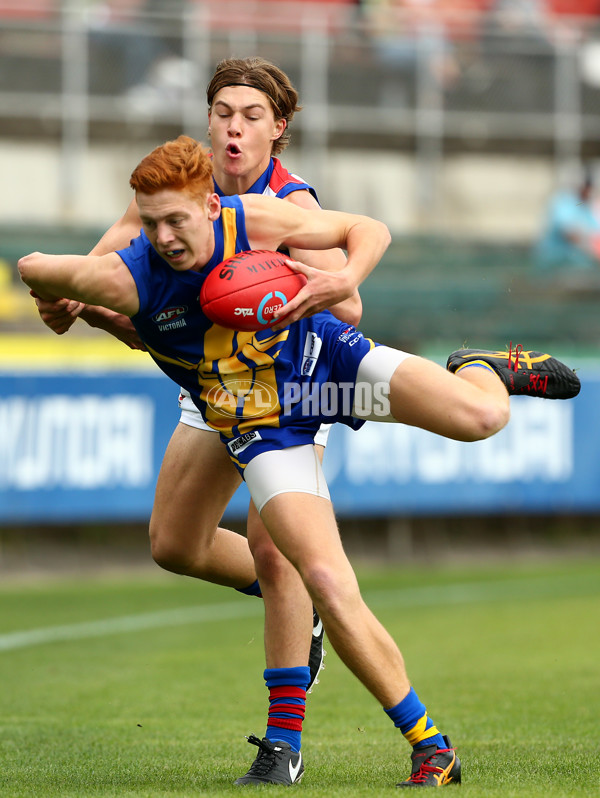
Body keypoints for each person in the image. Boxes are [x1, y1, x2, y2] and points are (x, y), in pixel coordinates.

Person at [19, 135, 580, 787]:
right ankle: (433, 747)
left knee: (483, 417)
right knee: (325, 578)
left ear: (208, 204)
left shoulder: (250, 219)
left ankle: (481, 367)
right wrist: (54, 300)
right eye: (151, 223)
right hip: (265, 423)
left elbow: (367, 227)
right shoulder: (129, 276)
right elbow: (37, 264)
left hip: (329, 370)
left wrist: (343, 276)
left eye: (177, 219)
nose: (165, 236)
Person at [29, 57, 361, 783]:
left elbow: (349, 307)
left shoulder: (290, 200)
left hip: (285, 388)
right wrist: (64, 299)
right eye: (222, 112)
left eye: (249, 115)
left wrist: (264, 288)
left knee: (278, 557)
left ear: (278, 128)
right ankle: (300, 606)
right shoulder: (178, 188)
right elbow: (96, 273)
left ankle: (283, 745)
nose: (233, 127)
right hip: (208, 387)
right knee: (174, 544)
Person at [535, 169, 600, 272]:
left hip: (578, 266)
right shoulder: (564, 201)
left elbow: (596, 232)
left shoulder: (588, 206)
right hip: (555, 264)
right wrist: (590, 248)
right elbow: (568, 232)